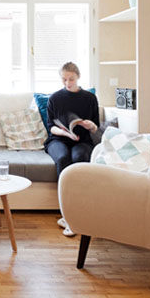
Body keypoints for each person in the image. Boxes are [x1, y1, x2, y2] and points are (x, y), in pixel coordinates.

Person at [45, 62, 100, 237]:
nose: (67, 83)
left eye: (71, 79)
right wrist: (65, 133)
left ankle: (78, 214)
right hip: (58, 140)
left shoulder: (89, 98)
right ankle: (66, 216)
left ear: (78, 77)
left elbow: (95, 128)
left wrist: (90, 125)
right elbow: (51, 127)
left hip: (82, 140)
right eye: (64, 79)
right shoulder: (54, 98)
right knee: (62, 159)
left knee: (80, 157)